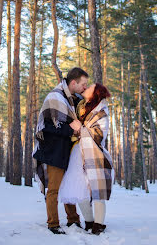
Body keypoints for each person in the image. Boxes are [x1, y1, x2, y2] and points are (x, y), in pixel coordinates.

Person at [32, 67, 88, 234]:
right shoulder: (55, 98)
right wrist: (70, 130)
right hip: (54, 150)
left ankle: (73, 219)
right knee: (54, 188)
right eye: (83, 84)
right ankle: (53, 224)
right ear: (73, 83)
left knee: (69, 185)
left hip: (69, 150)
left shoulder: (74, 100)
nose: (85, 87)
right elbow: (47, 126)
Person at [58, 83, 114, 235]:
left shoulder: (101, 112)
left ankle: (99, 224)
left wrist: (79, 129)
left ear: (95, 94)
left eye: (90, 87)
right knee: (79, 189)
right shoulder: (81, 107)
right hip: (77, 153)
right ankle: (89, 221)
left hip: (94, 153)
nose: (86, 88)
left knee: (97, 190)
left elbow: (99, 134)